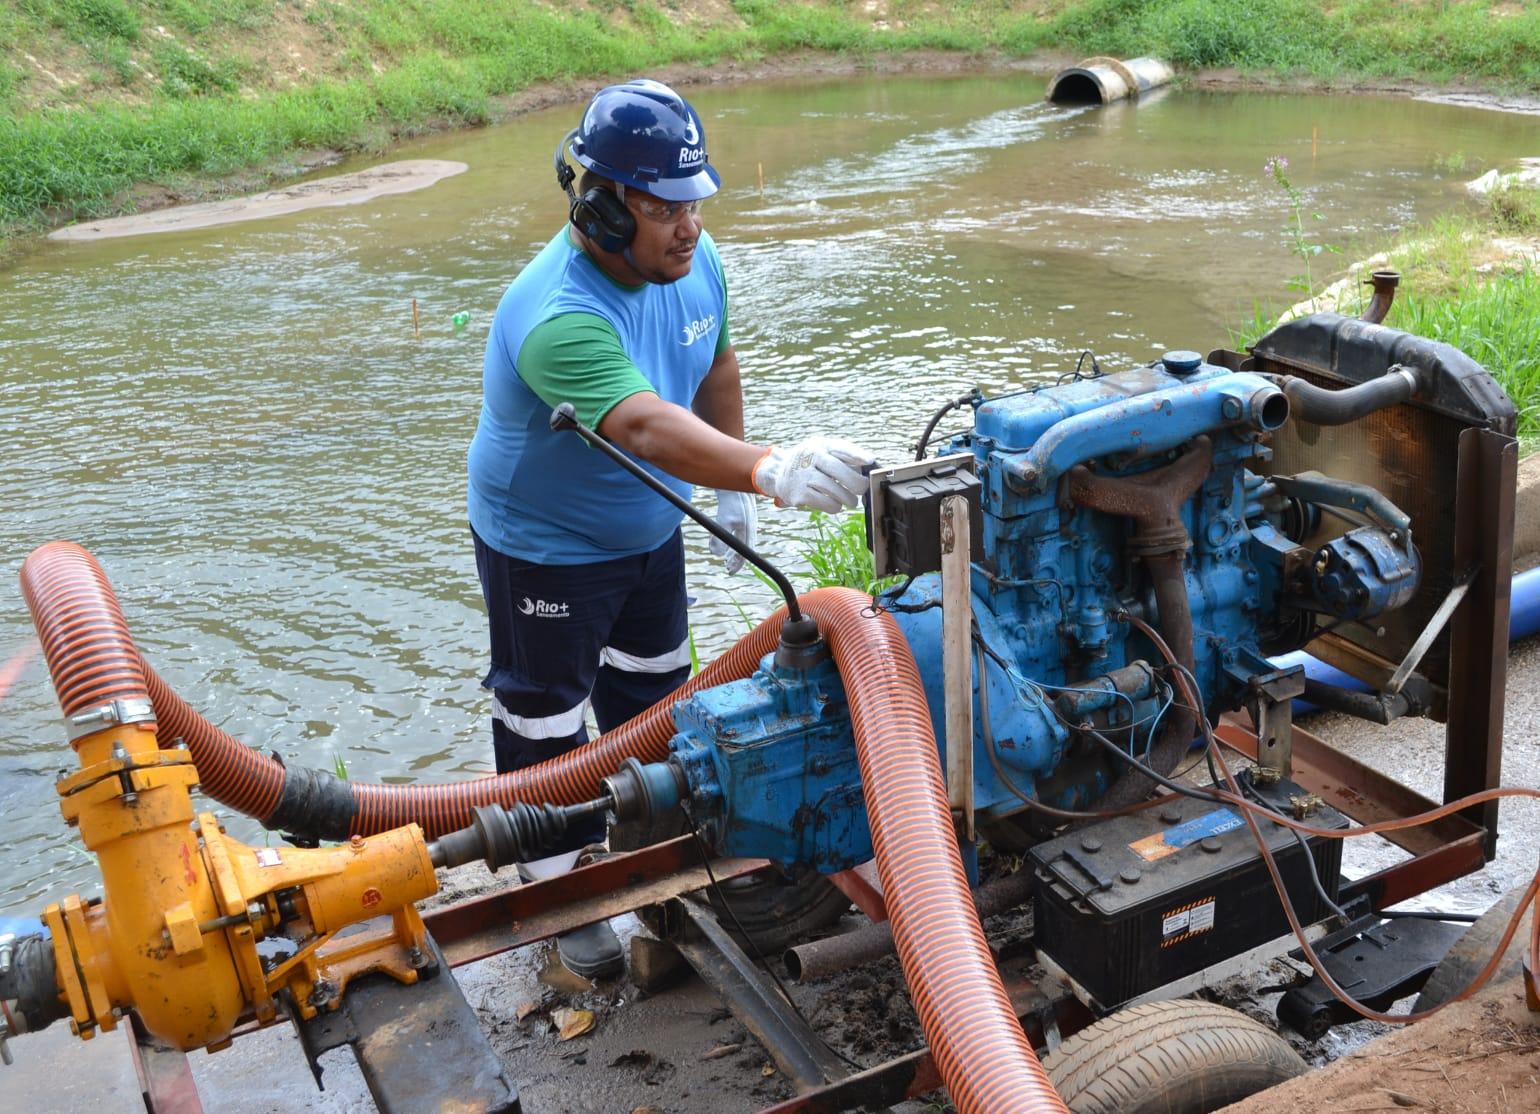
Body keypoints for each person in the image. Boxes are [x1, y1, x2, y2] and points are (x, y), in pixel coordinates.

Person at [466, 78, 878, 980]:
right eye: (661, 206)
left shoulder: (698, 262)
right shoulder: (555, 314)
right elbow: (646, 424)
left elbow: (713, 360)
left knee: (657, 692)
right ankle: (556, 881)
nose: (686, 224)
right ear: (602, 206)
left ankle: (647, 839)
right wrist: (767, 470)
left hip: (653, 518)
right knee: (544, 716)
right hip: (547, 541)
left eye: (693, 201)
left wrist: (728, 488)